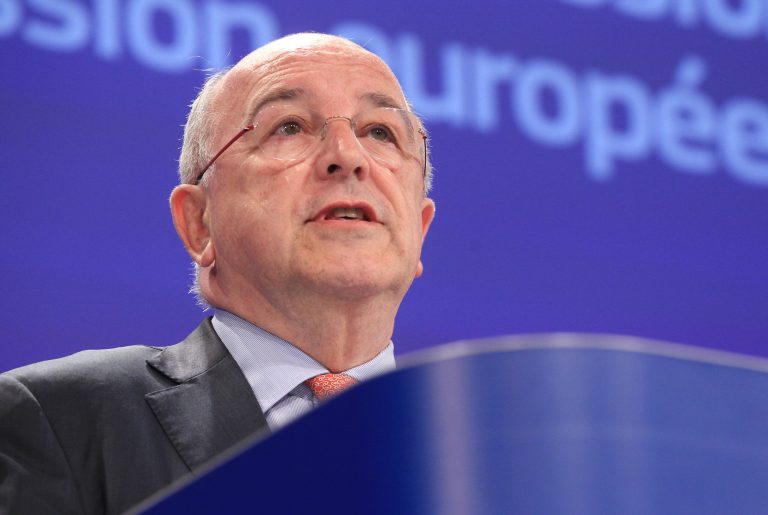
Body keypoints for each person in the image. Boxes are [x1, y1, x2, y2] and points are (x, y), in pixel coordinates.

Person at [0, 32, 435, 514]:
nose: (348, 156)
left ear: (419, 228)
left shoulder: (495, 449)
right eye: (288, 127)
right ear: (199, 224)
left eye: (380, 132)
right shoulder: (59, 419)